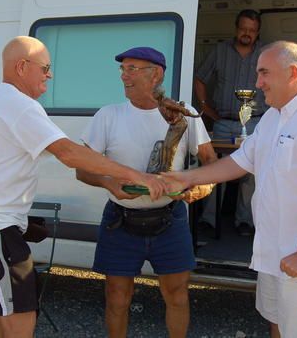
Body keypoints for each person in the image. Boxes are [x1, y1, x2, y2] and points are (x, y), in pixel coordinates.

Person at [0, 37, 167, 338]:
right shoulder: (21, 106)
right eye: (46, 68)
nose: (50, 75)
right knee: (21, 317)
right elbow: (69, 153)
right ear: (22, 66)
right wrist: (138, 176)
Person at [165, 41, 297, 338]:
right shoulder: (272, 117)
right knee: (276, 324)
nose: (257, 83)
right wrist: (184, 179)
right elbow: (239, 162)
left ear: (292, 73)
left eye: (264, 73)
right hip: (273, 252)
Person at [76, 47, 216, 338]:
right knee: (116, 298)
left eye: (132, 69)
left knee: (177, 295)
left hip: (170, 218)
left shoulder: (183, 114)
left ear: (157, 75)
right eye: (122, 69)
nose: (124, 76)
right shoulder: (108, 116)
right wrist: (107, 182)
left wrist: (204, 185)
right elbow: (82, 169)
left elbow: (211, 161)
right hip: (120, 219)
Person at [194, 9, 269, 236]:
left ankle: (245, 221)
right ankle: (209, 220)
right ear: (236, 29)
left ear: (258, 32)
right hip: (223, 123)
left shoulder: (266, 53)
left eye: (252, 30)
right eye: (243, 29)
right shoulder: (220, 51)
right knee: (215, 169)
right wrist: (207, 109)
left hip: (256, 123)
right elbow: (200, 78)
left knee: (251, 173)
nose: (247, 34)